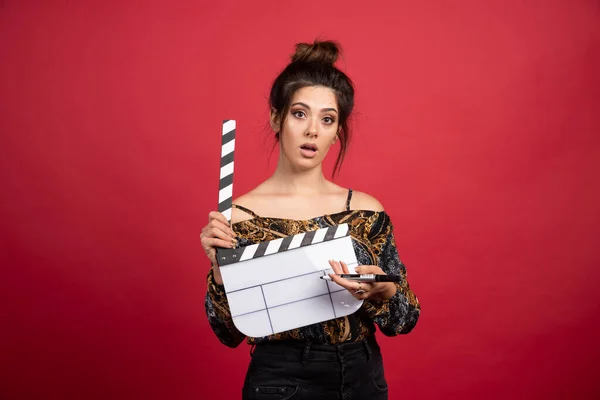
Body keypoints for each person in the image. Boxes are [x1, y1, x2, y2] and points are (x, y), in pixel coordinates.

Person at [202, 40, 420, 400]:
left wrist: (383, 290)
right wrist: (221, 273)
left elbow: (405, 319)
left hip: (363, 374)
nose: (312, 130)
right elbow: (228, 333)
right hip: (281, 379)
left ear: (337, 132)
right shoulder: (237, 218)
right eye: (300, 114)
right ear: (277, 117)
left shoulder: (366, 212)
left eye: (327, 119)